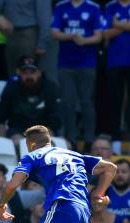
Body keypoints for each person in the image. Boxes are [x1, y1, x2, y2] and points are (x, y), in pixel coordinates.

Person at [51, 0, 103, 145]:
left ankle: (89, 139)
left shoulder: (93, 7)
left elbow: (99, 36)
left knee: (87, 101)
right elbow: (54, 33)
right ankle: (70, 139)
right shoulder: (61, 7)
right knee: (67, 102)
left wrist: (84, 41)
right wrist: (71, 36)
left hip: (87, 63)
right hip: (65, 63)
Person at [0, 56, 61, 144]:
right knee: (18, 143)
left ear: (39, 72)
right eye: (25, 72)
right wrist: (3, 142)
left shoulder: (50, 88)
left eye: (32, 72)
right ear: (18, 72)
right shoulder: (11, 89)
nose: (29, 76)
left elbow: (56, 118)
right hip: (18, 133)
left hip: (45, 132)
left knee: (65, 145)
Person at [103, 0, 130, 137]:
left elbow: (112, 29)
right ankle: (114, 133)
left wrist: (117, 24)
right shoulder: (110, 6)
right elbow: (105, 34)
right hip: (114, 60)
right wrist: (126, 26)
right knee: (114, 98)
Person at [3, 0, 51, 74]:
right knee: (13, 75)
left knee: (28, 74)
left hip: (29, 35)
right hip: (11, 35)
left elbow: (44, 15)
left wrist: (42, 43)